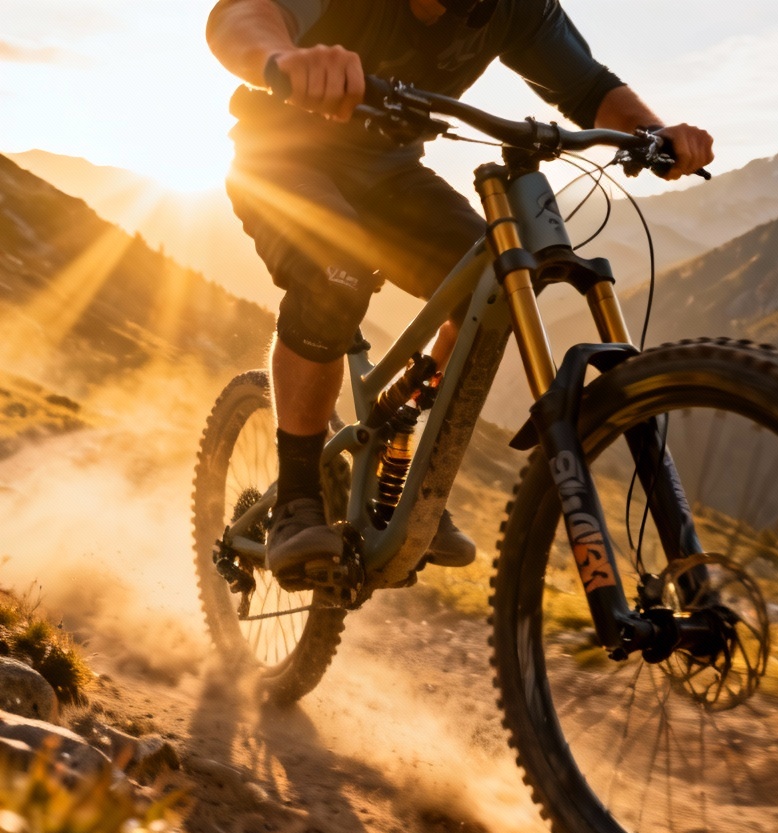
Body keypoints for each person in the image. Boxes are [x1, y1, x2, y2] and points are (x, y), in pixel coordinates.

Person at [206, 0, 714, 589]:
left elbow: (588, 85)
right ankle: (296, 499)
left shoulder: (512, 8)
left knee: (493, 287)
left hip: (389, 173)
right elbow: (240, 16)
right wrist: (286, 58)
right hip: (281, 158)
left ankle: (396, 457)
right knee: (334, 274)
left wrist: (654, 133)